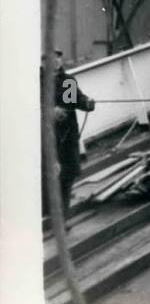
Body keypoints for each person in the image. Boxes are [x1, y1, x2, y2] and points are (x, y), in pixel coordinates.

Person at [40, 51, 95, 216]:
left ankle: (63, 215)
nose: (55, 61)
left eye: (58, 58)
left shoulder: (67, 81)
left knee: (67, 174)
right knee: (46, 174)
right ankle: (46, 213)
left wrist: (87, 103)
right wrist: (49, 111)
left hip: (66, 135)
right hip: (45, 136)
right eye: (50, 58)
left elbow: (72, 101)